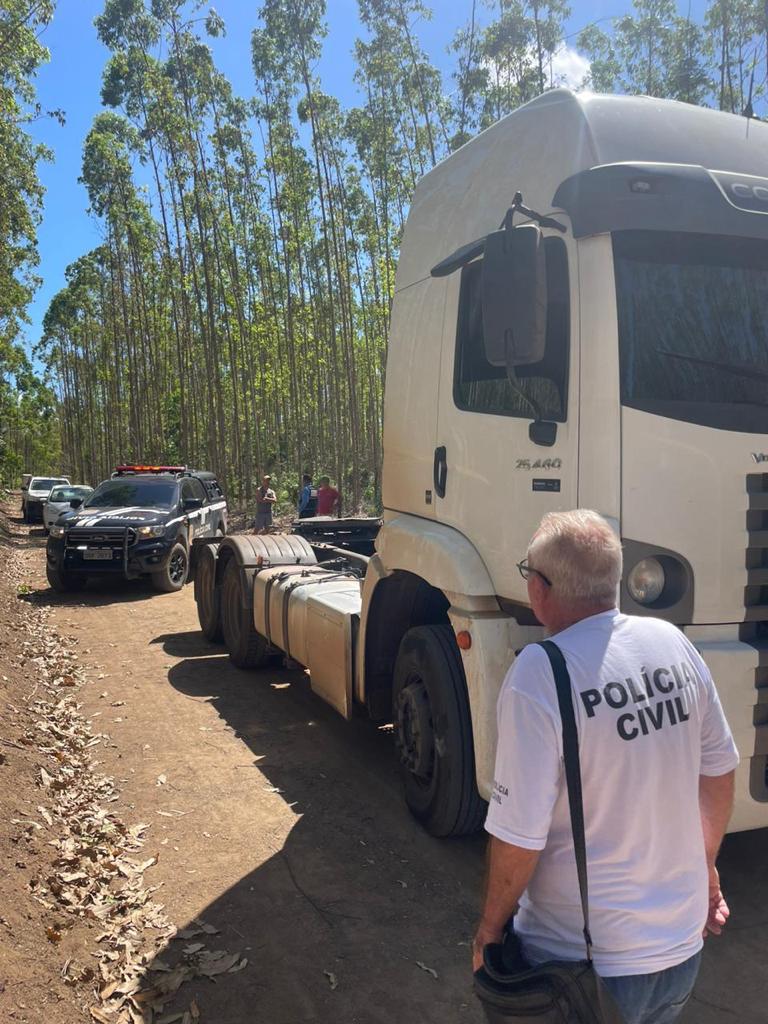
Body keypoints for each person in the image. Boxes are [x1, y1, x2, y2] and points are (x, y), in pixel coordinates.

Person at [473, 509, 738, 1024]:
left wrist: (489, 930)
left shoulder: (541, 672)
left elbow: (518, 838)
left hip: (582, 971)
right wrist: (703, 868)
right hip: (681, 953)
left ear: (542, 589)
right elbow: (719, 772)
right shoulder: (671, 643)